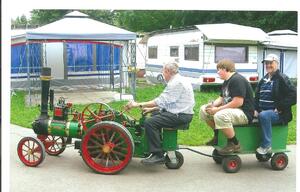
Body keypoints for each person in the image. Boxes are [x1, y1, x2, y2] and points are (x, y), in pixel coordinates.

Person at [125, 61, 195, 165]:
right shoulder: (180, 79)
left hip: (181, 115)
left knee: (150, 123)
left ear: (167, 71)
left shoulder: (176, 83)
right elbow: (170, 102)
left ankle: (157, 155)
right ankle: (158, 145)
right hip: (180, 112)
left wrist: (137, 104)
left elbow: (160, 101)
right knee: (154, 115)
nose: (163, 74)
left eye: (163, 71)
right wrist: (152, 109)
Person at [199, 59, 255, 155]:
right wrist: (212, 105)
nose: (217, 72)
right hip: (233, 111)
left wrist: (217, 109)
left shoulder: (237, 80)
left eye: (219, 69)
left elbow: (238, 102)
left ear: (225, 69)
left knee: (220, 115)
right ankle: (217, 136)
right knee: (203, 110)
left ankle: (234, 143)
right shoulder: (226, 81)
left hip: (244, 113)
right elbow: (221, 98)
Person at [255, 53, 296, 155]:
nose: (268, 65)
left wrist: (279, 107)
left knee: (264, 115)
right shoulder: (263, 80)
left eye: (270, 63)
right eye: (266, 63)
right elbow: (257, 97)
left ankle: (266, 145)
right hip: (262, 112)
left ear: (276, 64)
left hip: (278, 114)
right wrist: (255, 109)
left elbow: (294, 96)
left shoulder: (282, 78)